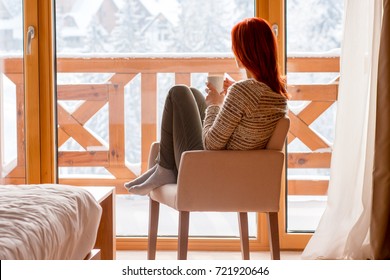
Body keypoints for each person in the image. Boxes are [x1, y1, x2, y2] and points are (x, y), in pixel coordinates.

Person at [124, 17, 288, 195]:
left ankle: (164, 169)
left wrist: (215, 105)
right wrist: (232, 95)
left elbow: (211, 144)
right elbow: (247, 122)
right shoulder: (276, 94)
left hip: (210, 171)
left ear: (245, 51)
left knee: (178, 93)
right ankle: (161, 168)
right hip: (237, 170)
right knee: (194, 94)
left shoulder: (244, 91)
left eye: (236, 46)